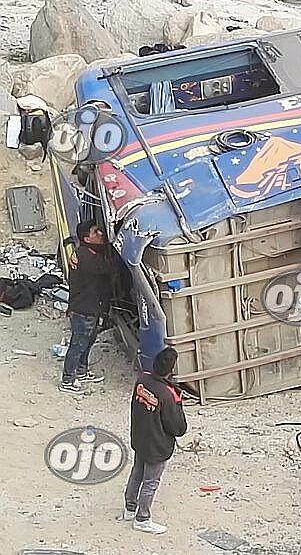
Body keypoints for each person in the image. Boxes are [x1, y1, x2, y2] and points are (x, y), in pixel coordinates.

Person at [122, 346, 187, 535]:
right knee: (151, 481)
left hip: (140, 438)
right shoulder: (168, 395)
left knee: (137, 473)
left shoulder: (142, 380)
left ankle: (130, 508)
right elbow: (178, 428)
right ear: (171, 369)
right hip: (157, 445)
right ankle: (142, 518)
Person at [59, 220, 115, 394]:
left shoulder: (86, 252)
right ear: (86, 238)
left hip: (90, 307)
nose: (100, 234)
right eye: (95, 232)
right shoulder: (86, 258)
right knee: (78, 344)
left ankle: (81, 371)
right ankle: (67, 380)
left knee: (88, 341)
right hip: (83, 309)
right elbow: (109, 269)